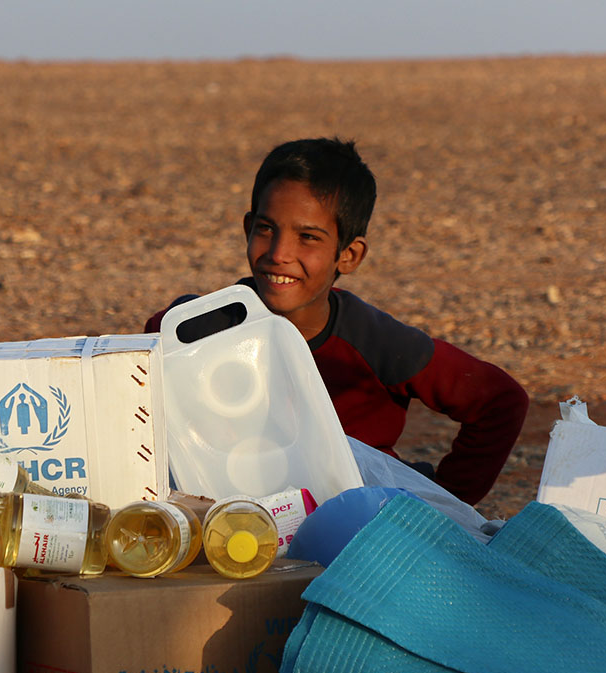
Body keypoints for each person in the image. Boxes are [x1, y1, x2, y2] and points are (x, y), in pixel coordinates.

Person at [144, 137, 529, 507]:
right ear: (248, 228)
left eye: (307, 237)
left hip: (357, 538)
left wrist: (442, 498)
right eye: (266, 229)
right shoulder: (200, 329)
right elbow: (130, 387)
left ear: (348, 255)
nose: (279, 253)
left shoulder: (372, 341)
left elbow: (499, 400)